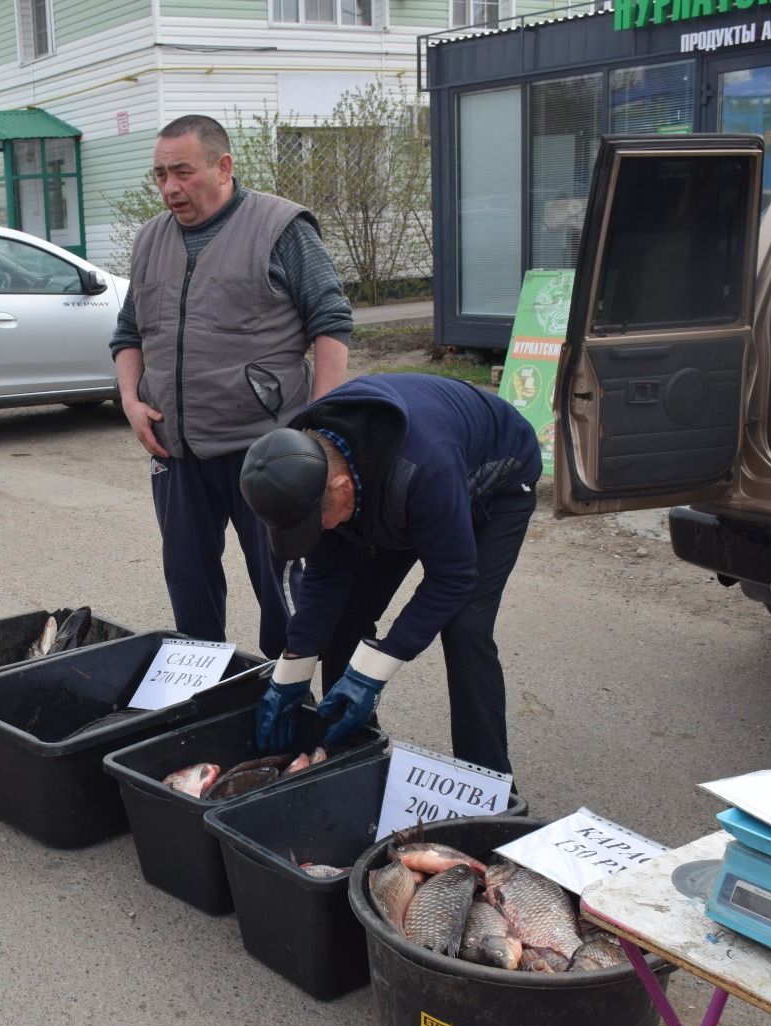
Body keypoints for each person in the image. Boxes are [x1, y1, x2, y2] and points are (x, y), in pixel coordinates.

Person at [110, 114, 352, 659]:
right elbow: (129, 332)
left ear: (223, 167)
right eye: (160, 175)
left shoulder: (281, 227)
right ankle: (207, 694)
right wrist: (130, 399)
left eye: (182, 172)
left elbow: (331, 321)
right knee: (187, 582)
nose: (170, 187)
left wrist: (320, 423)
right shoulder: (150, 238)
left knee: (281, 585)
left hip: (264, 448)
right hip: (175, 449)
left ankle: (287, 691)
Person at [238, 373, 541, 778]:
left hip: (493, 479)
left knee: (465, 627)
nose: (320, 532)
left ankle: (485, 781)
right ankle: (349, 748)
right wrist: (291, 670)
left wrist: (372, 673)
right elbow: (326, 579)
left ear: (341, 486)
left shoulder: (422, 466)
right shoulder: (300, 466)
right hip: (394, 493)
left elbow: (452, 577)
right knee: (345, 614)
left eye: (319, 523)